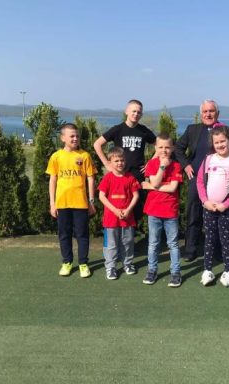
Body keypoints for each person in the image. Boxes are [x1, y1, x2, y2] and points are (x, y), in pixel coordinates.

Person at [174, 99, 229, 262]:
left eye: (211, 111)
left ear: (217, 113)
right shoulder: (192, 129)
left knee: (219, 216)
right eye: (205, 111)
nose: (208, 114)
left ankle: (218, 252)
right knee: (193, 214)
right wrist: (186, 165)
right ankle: (190, 250)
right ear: (201, 114)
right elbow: (178, 148)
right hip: (196, 180)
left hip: (220, 183)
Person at [93, 99, 155, 226]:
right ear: (126, 111)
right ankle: (113, 235)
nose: (136, 114)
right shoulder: (118, 129)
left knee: (135, 210)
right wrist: (106, 164)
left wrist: (151, 163)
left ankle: (131, 237)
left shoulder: (143, 131)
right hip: (118, 175)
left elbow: (159, 146)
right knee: (117, 205)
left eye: (139, 112)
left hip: (136, 175)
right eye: (133, 111)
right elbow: (97, 144)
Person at [196, 125, 229, 287]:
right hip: (209, 209)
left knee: (225, 241)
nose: (220, 145)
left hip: (226, 210)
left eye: (223, 141)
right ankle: (207, 270)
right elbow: (200, 182)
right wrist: (205, 201)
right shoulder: (208, 159)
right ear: (213, 144)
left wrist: (226, 204)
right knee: (209, 240)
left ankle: (227, 271)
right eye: (216, 142)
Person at [47, 123, 97, 278]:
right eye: (72, 136)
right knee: (64, 234)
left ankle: (83, 264)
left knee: (82, 234)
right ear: (63, 138)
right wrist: (52, 203)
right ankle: (67, 262)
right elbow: (53, 180)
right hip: (62, 203)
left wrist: (91, 201)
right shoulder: (56, 157)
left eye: (77, 136)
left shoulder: (84, 156)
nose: (75, 139)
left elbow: (90, 179)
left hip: (81, 203)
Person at [141, 133, 183, 287]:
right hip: (154, 210)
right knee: (153, 243)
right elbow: (156, 181)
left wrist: (150, 186)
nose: (164, 150)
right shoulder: (152, 164)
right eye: (160, 147)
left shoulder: (177, 166)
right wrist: (162, 167)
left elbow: (172, 188)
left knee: (173, 244)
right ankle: (152, 270)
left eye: (167, 147)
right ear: (155, 148)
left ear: (172, 148)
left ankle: (175, 272)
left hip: (170, 211)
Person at [98, 147, 141, 280]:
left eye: (122, 160)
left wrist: (128, 210)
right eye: (116, 161)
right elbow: (101, 196)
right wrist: (115, 210)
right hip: (111, 219)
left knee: (127, 242)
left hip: (127, 218)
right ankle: (110, 267)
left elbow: (136, 195)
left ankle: (127, 264)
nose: (119, 163)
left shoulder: (130, 178)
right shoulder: (107, 178)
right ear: (110, 162)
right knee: (111, 244)